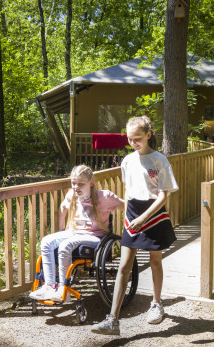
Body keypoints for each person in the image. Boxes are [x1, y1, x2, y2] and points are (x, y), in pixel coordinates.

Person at [91, 115, 178, 336]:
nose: (133, 143)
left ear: (149, 135)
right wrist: (129, 217)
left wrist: (144, 218)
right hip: (133, 216)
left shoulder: (159, 160)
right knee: (124, 266)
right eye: (130, 139)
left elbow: (162, 196)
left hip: (154, 214)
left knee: (155, 261)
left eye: (137, 138)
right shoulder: (127, 161)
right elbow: (128, 191)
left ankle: (156, 303)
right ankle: (112, 319)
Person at [29, 164, 124, 302]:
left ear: (91, 183)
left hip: (96, 237)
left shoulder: (104, 197)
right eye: (73, 183)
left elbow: (126, 206)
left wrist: (134, 225)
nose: (76, 187)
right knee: (46, 241)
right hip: (75, 232)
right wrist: (61, 230)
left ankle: (63, 289)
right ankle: (49, 285)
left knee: (65, 245)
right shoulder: (72, 195)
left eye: (81, 184)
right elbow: (62, 208)